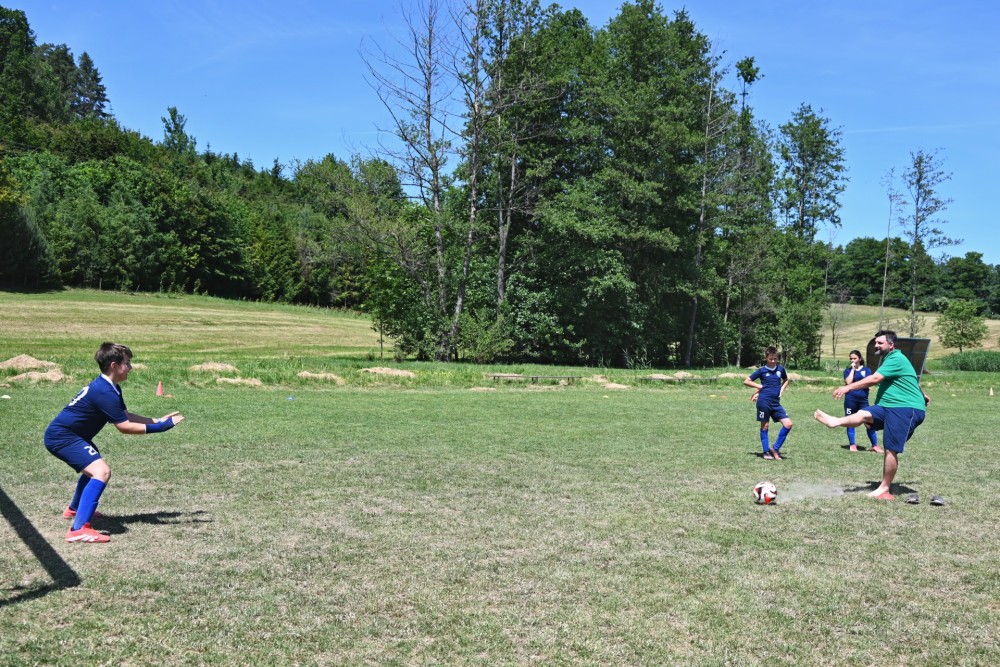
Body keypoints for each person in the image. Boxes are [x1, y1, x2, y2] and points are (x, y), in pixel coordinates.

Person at [44, 342, 184, 543]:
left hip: (72, 436)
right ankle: (78, 530)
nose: (130, 367)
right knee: (101, 472)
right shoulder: (104, 392)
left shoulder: (110, 388)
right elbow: (124, 426)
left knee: (92, 470)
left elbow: (124, 415)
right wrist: (161, 428)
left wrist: (156, 420)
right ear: (113, 365)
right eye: (127, 363)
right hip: (63, 437)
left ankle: (74, 509)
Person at [815, 330, 929, 500]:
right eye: (875, 343)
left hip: (904, 408)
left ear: (891, 344)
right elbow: (911, 378)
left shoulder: (896, 358)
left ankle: (884, 489)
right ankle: (835, 421)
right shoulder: (891, 359)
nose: (876, 345)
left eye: (880, 343)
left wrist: (847, 387)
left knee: (891, 449)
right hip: (888, 406)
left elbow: (875, 379)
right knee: (864, 414)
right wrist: (923, 393)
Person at [744, 346, 793, 460]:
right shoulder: (762, 371)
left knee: (788, 424)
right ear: (766, 358)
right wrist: (759, 386)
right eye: (770, 359)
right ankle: (766, 452)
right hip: (763, 402)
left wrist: (781, 390)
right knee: (765, 426)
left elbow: (786, 380)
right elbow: (747, 381)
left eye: (775, 359)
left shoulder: (780, 369)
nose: (773, 361)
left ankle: (775, 449)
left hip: (776, 403)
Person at [842, 349, 881, 453]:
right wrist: (853, 370)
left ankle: (875, 446)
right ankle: (852, 445)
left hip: (863, 401)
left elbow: (869, 382)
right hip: (850, 400)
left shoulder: (867, 370)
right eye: (851, 359)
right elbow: (848, 382)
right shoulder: (847, 371)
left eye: (854, 358)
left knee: (869, 422)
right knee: (850, 422)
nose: (852, 360)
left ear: (860, 359)